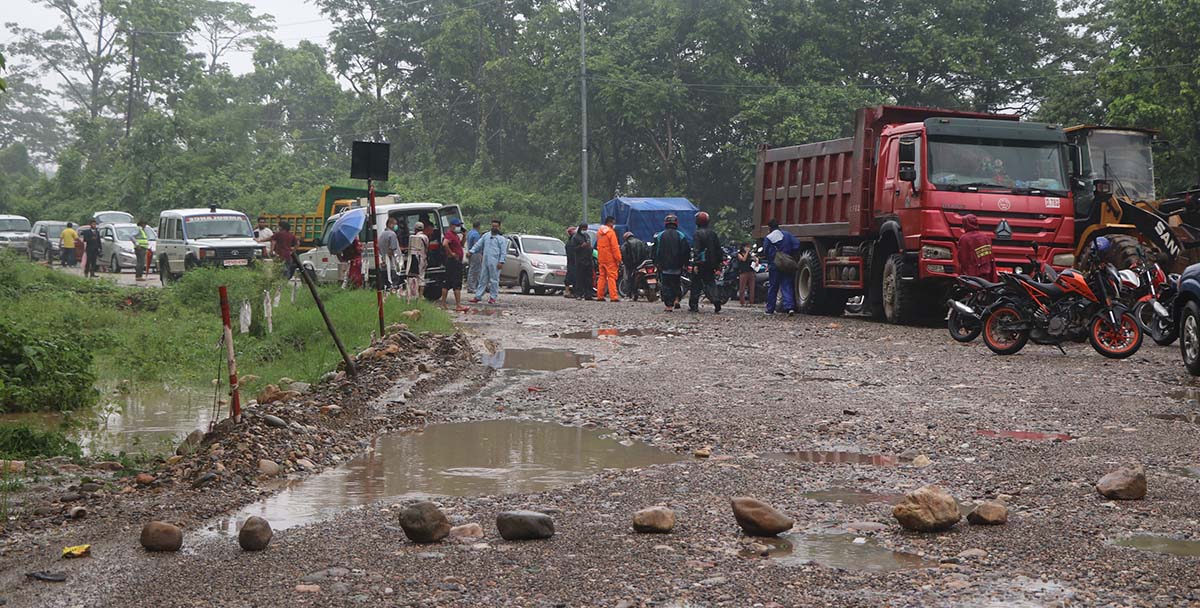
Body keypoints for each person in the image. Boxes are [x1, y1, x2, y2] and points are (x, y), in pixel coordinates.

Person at [652, 214, 690, 312]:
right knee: (676, 283)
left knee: (666, 286)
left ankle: (669, 305)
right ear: (676, 223)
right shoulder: (681, 235)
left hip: (664, 266)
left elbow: (655, 251)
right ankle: (677, 300)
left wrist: (656, 262)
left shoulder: (660, 236)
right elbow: (686, 251)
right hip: (678, 265)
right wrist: (685, 263)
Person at [688, 211, 723, 313]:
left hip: (701, 263)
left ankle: (694, 305)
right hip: (711, 263)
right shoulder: (713, 233)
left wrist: (696, 264)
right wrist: (718, 263)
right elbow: (718, 249)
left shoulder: (697, 234)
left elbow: (697, 250)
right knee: (710, 283)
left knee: (696, 285)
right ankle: (716, 301)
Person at [763, 218, 799, 314]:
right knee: (786, 285)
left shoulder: (768, 237)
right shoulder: (787, 234)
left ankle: (770, 309)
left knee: (773, 287)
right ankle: (789, 307)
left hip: (774, 265)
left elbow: (765, 251)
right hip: (786, 264)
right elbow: (796, 244)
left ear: (770, 227)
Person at [469, 219, 507, 304]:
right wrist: (471, 251)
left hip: (495, 262)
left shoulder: (501, 239)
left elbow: (503, 252)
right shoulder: (486, 236)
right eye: (493, 226)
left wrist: (501, 261)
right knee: (483, 279)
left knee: (494, 280)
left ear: (499, 227)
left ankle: (493, 297)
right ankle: (478, 296)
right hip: (485, 261)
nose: (494, 228)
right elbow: (478, 244)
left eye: (496, 226)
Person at [956, 214, 998, 282]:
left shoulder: (964, 238)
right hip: (987, 272)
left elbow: (963, 259)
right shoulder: (986, 237)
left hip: (972, 275)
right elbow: (991, 258)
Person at [594, 216, 622, 302]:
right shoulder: (611, 233)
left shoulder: (599, 232)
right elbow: (614, 247)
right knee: (611, 277)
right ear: (610, 223)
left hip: (601, 258)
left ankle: (600, 295)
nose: (614, 225)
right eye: (613, 223)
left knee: (602, 277)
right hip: (610, 259)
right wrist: (619, 258)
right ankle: (613, 296)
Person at [441, 218, 466, 309]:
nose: (458, 227)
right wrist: (451, 253)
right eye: (457, 225)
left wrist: (464, 236)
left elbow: (461, 245)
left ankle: (446, 304)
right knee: (454, 282)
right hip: (453, 261)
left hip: (457, 261)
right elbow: (445, 244)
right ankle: (457, 305)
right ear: (452, 226)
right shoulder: (449, 234)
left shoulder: (455, 235)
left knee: (450, 282)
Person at [569, 223, 593, 300]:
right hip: (580, 261)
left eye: (586, 228)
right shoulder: (575, 237)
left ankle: (588, 295)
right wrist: (580, 246)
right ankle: (578, 294)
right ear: (580, 228)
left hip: (588, 260)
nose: (585, 230)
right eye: (584, 228)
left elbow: (590, 246)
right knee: (580, 278)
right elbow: (572, 249)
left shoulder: (587, 236)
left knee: (589, 279)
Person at [407, 222, 430, 302]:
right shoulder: (425, 237)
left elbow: (410, 249)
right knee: (422, 276)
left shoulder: (413, 237)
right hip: (423, 259)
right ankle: (421, 295)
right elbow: (427, 248)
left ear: (415, 229)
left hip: (414, 259)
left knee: (414, 276)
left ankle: (414, 294)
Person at [380, 217, 402, 289]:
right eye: (395, 224)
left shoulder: (382, 234)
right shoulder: (392, 234)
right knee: (394, 282)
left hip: (384, 263)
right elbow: (391, 249)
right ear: (390, 224)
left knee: (386, 283)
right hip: (392, 263)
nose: (396, 226)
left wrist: (384, 261)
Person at [465, 220, 483, 294]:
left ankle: (475, 286)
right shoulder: (476, 234)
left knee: (472, 270)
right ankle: (471, 287)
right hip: (475, 253)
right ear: (479, 226)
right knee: (475, 270)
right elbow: (476, 245)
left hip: (470, 252)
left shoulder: (469, 233)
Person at [563, 226, 578, 298]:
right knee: (573, 276)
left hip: (570, 261)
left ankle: (567, 291)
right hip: (573, 261)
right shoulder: (572, 241)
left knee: (569, 276)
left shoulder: (569, 241)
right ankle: (570, 292)